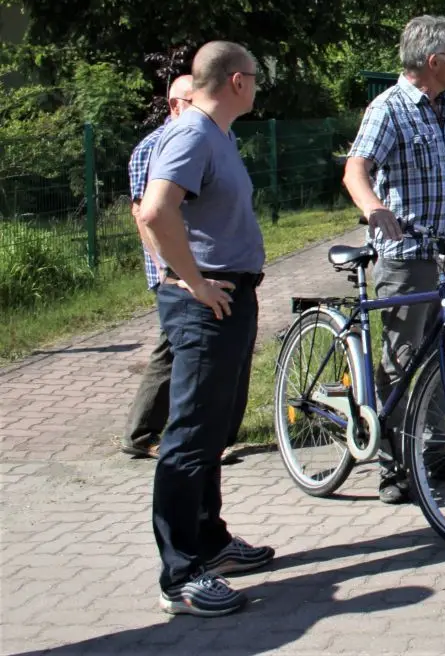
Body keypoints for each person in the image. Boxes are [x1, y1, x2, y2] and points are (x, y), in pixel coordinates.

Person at [137, 41, 272, 618]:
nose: (259, 86)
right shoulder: (192, 133)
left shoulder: (217, 133)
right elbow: (153, 211)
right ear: (237, 81)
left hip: (231, 295)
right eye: (256, 78)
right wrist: (190, 281)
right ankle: (180, 575)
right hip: (206, 302)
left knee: (215, 427)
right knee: (190, 437)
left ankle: (210, 543)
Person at [343, 15, 445, 505]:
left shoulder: (443, 109)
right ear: (434, 61)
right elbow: (356, 168)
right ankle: (394, 466)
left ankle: (436, 453)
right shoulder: (390, 109)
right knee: (401, 362)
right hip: (406, 259)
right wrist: (373, 207)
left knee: (444, 356)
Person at [119, 74, 194, 460]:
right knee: (174, 347)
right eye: (190, 101)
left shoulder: (194, 139)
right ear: (173, 105)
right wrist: (166, 270)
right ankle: (143, 433)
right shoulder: (151, 148)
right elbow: (143, 213)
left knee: (178, 346)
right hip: (169, 272)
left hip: (185, 268)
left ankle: (158, 428)